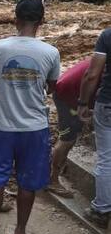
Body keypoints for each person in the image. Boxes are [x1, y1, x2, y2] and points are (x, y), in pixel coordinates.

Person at [0, 0, 60, 234]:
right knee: (28, 181)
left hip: (1, 126)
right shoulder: (51, 52)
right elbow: (52, 87)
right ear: (41, 22)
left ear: (16, 20)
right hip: (34, 128)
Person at [77, 29, 111, 227]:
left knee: (107, 159)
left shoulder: (107, 36)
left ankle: (101, 210)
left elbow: (92, 74)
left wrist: (83, 102)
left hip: (108, 104)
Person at [47, 58, 93, 198]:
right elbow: (91, 78)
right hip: (67, 95)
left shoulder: (103, 55)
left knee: (73, 135)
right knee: (67, 139)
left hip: (72, 91)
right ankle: (52, 180)